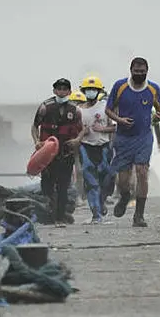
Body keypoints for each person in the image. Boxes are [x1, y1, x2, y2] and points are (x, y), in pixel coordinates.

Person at [104, 57, 160, 227]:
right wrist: (120, 120)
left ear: (147, 71)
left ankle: (139, 215)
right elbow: (108, 109)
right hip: (124, 138)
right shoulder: (120, 86)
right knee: (123, 179)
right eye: (136, 71)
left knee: (142, 171)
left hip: (144, 137)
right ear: (130, 70)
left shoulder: (153, 88)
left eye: (142, 72)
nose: (139, 74)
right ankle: (124, 196)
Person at [31, 78, 85, 227]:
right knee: (47, 185)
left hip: (65, 153)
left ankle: (60, 218)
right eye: (59, 89)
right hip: (47, 154)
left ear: (69, 91)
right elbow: (35, 127)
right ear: (54, 90)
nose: (62, 92)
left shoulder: (75, 110)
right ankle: (50, 214)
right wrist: (37, 142)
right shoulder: (45, 107)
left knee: (63, 187)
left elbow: (82, 130)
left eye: (65, 89)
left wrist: (77, 141)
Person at [77, 75, 116, 223]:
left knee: (106, 178)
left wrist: (103, 128)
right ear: (83, 91)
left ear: (99, 91)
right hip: (86, 148)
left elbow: (115, 126)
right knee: (90, 181)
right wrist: (82, 133)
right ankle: (96, 214)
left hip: (104, 147)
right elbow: (75, 130)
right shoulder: (78, 110)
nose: (91, 92)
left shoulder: (106, 107)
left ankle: (102, 202)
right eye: (88, 90)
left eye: (94, 90)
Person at [68, 90, 87, 204]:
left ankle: (80, 195)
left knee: (80, 172)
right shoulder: (67, 115)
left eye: (80, 102)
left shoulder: (86, 115)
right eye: (75, 102)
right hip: (69, 147)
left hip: (83, 147)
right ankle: (72, 196)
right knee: (69, 172)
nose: (77, 105)